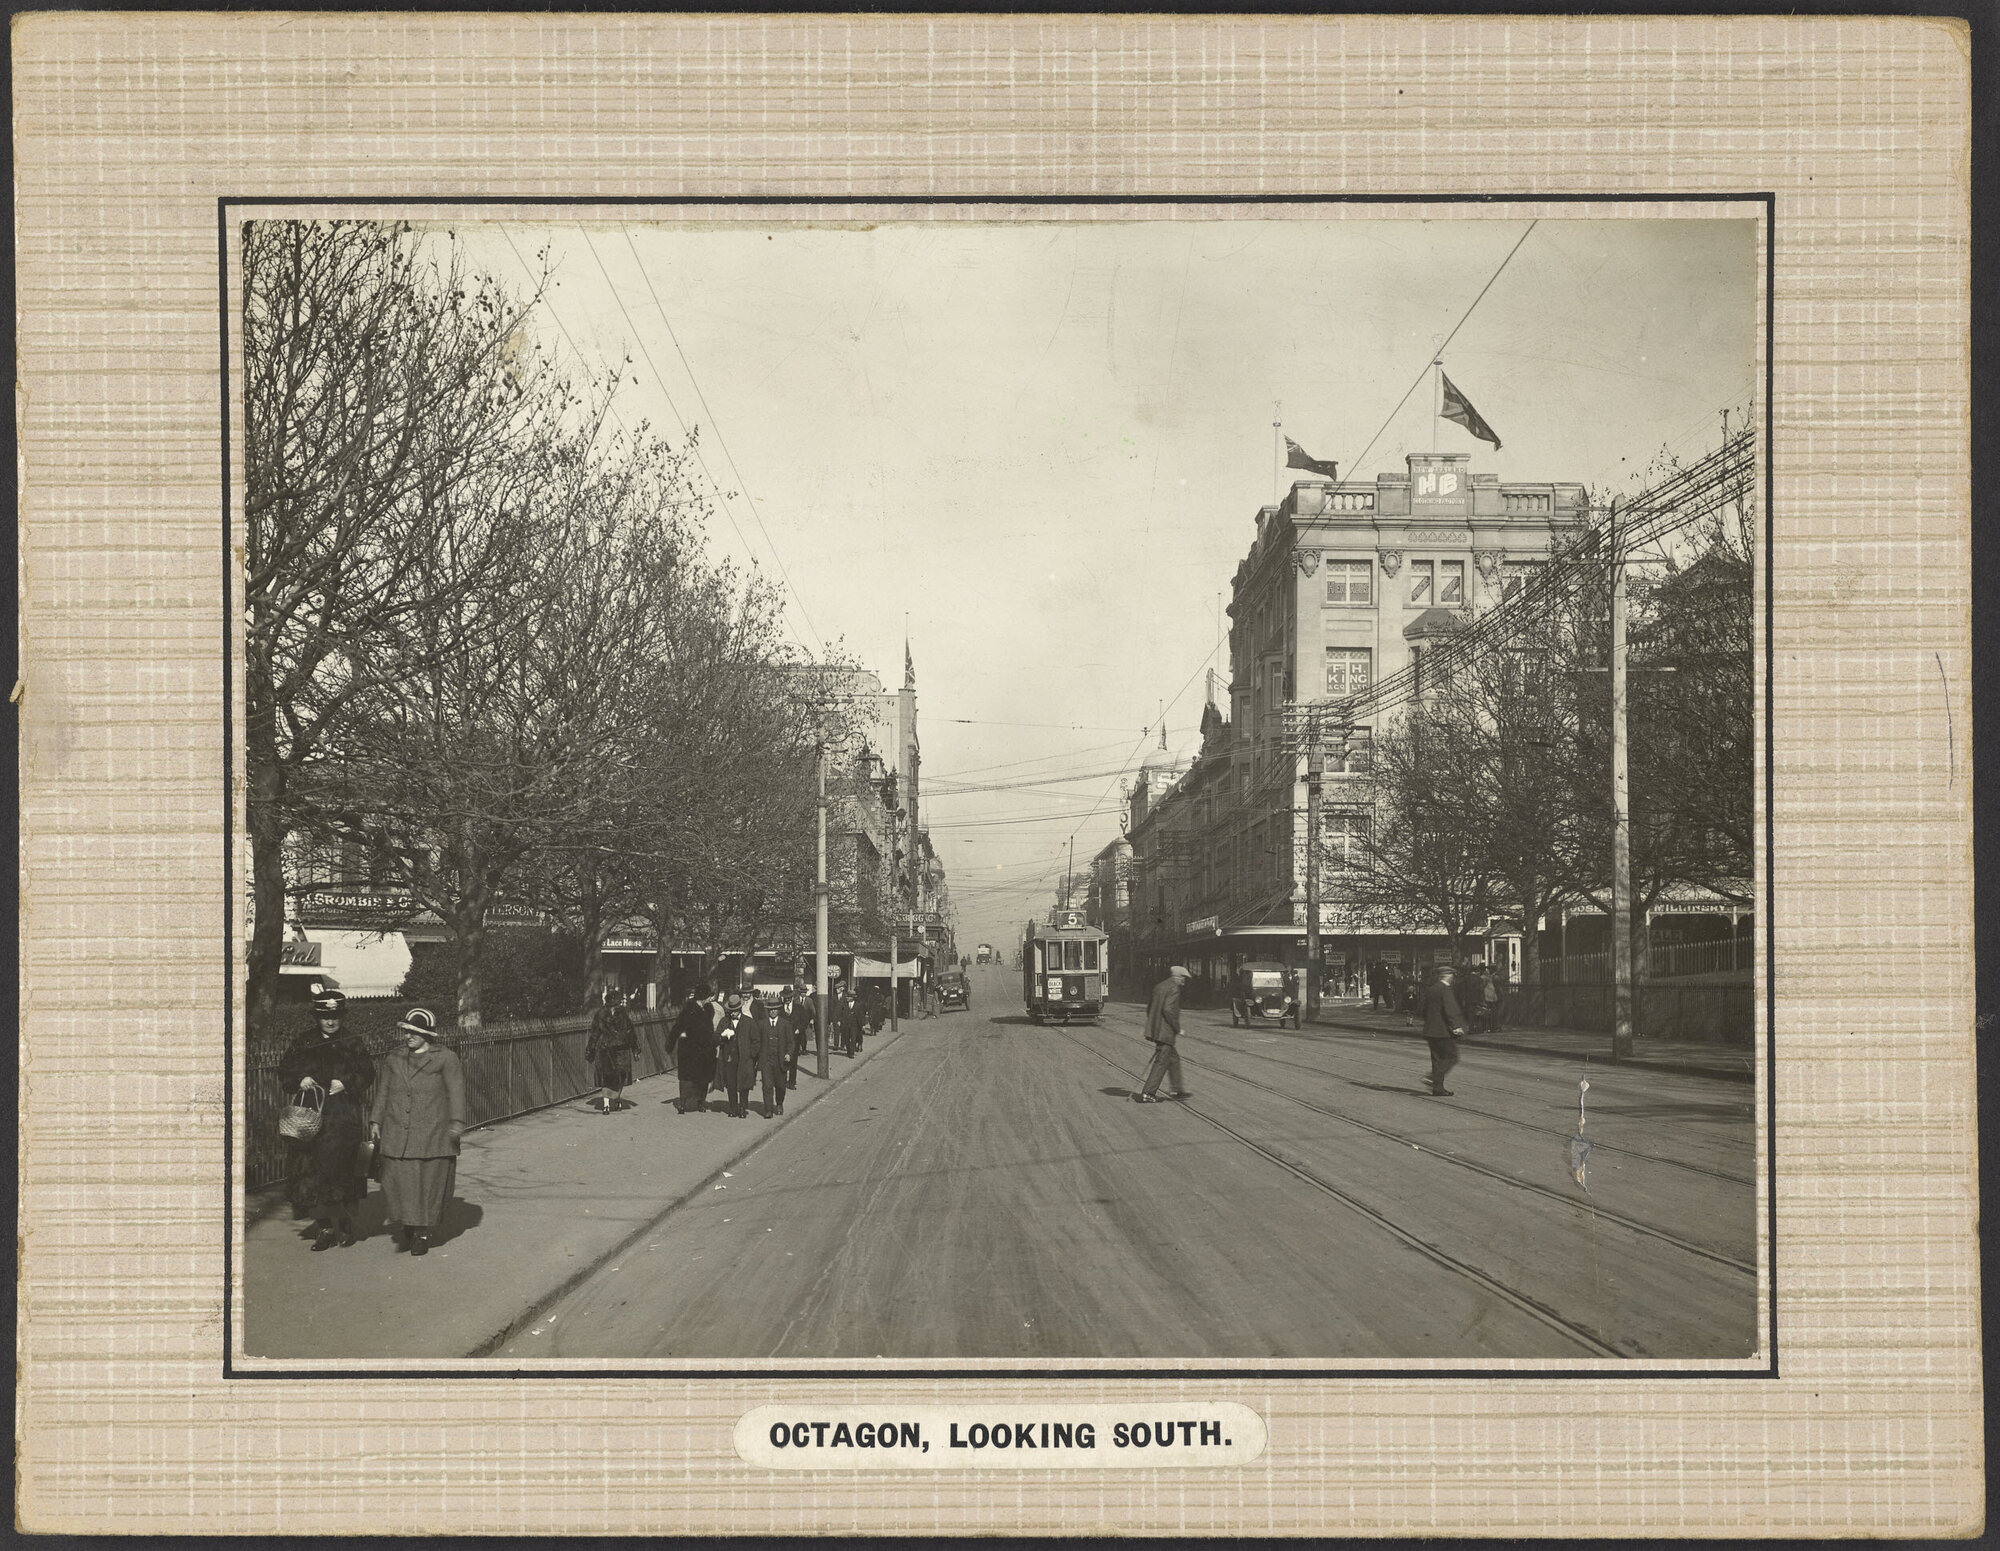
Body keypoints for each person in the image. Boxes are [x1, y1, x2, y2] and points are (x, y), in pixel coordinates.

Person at [277, 988, 376, 1250]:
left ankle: (345, 1225)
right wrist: (300, 1079)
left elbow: (367, 1072)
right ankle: (324, 1228)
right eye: (325, 1017)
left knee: (343, 1172)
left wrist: (347, 1083)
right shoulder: (304, 1042)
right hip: (311, 1122)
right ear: (317, 1018)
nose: (331, 1022)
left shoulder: (352, 1042)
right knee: (314, 1174)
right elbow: (285, 1070)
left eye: (335, 1016)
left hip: (343, 1119)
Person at [367, 1006, 465, 1256]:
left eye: (413, 1032)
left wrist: (456, 1123)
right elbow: (383, 1091)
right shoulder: (394, 1058)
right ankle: (409, 1223)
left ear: (427, 1034)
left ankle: (421, 1233)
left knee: (426, 1185)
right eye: (406, 1031)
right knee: (398, 1183)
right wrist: (376, 1120)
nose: (408, 1036)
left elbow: (456, 1092)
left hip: (432, 1134)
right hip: (397, 1130)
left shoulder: (445, 1057)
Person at [1134, 965, 1191, 1104]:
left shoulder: (1159, 986)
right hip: (1165, 1033)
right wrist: (1177, 1028)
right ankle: (1148, 1093)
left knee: (1174, 1059)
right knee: (1161, 1062)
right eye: (1183, 978)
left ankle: (1177, 1090)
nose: (1184, 981)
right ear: (1177, 977)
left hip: (1157, 1030)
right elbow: (1168, 1010)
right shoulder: (1174, 989)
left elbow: (1150, 1008)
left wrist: (1154, 1025)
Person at [585, 985, 638, 1113]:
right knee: (620, 1077)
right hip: (621, 1050)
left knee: (606, 1077)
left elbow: (594, 1034)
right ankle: (617, 1100)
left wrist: (590, 1051)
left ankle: (606, 1104)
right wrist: (636, 1049)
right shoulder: (623, 1014)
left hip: (605, 1049)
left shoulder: (600, 1014)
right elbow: (630, 1032)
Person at [1419, 962, 1468, 1097]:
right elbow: (1450, 1009)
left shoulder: (1431, 989)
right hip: (1443, 1031)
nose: (1452, 978)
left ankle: (1438, 1089)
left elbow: (1422, 1010)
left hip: (1430, 1030)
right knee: (1452, 1057)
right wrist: (1456, 1026)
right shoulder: (1445, 989)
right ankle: (1432, 1078)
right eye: (1451, 975)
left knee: (1437, 1059)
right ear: (1447, 976)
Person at [667, 983, 716, 1114]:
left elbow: (710, 1030)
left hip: (704, 1050)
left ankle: (700, 1103)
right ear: (704, 997)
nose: (710, 999)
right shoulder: (688, 1010)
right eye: (708, 996)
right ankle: (682, 1104)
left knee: (702, 1078)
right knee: (686, 1079)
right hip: (689, 1050)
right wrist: (670, 1044)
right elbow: (678, 1027)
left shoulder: (708, 1009)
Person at [713, 992, 758, 1118]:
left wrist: (751, 1054)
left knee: (744, 1085)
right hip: (729, 1059)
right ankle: (733, 1108)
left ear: (740, 1009)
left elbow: (756, 1041)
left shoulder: (749, 1022)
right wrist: (722, 1037)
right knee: (731, 1084)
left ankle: (743, 1108)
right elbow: (715, 1037)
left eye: (735, 1011)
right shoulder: (724, 1022)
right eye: (730, 1011)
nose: (732, 1013)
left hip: (744, 1059)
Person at [749, 995, 794, 1117]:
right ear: (767, 1010)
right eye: (770, 1009)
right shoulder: (761, 1024)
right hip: (766, 1060)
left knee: (780, 1085)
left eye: (775, 1009)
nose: (773, 1011)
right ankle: (768, 1109)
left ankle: (779, 1104)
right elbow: (757, 1041)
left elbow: (791, 1042)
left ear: (779, 1010)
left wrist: (789, 1054)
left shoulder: (785, 1024)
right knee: (767, 1086)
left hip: (781, 1061)